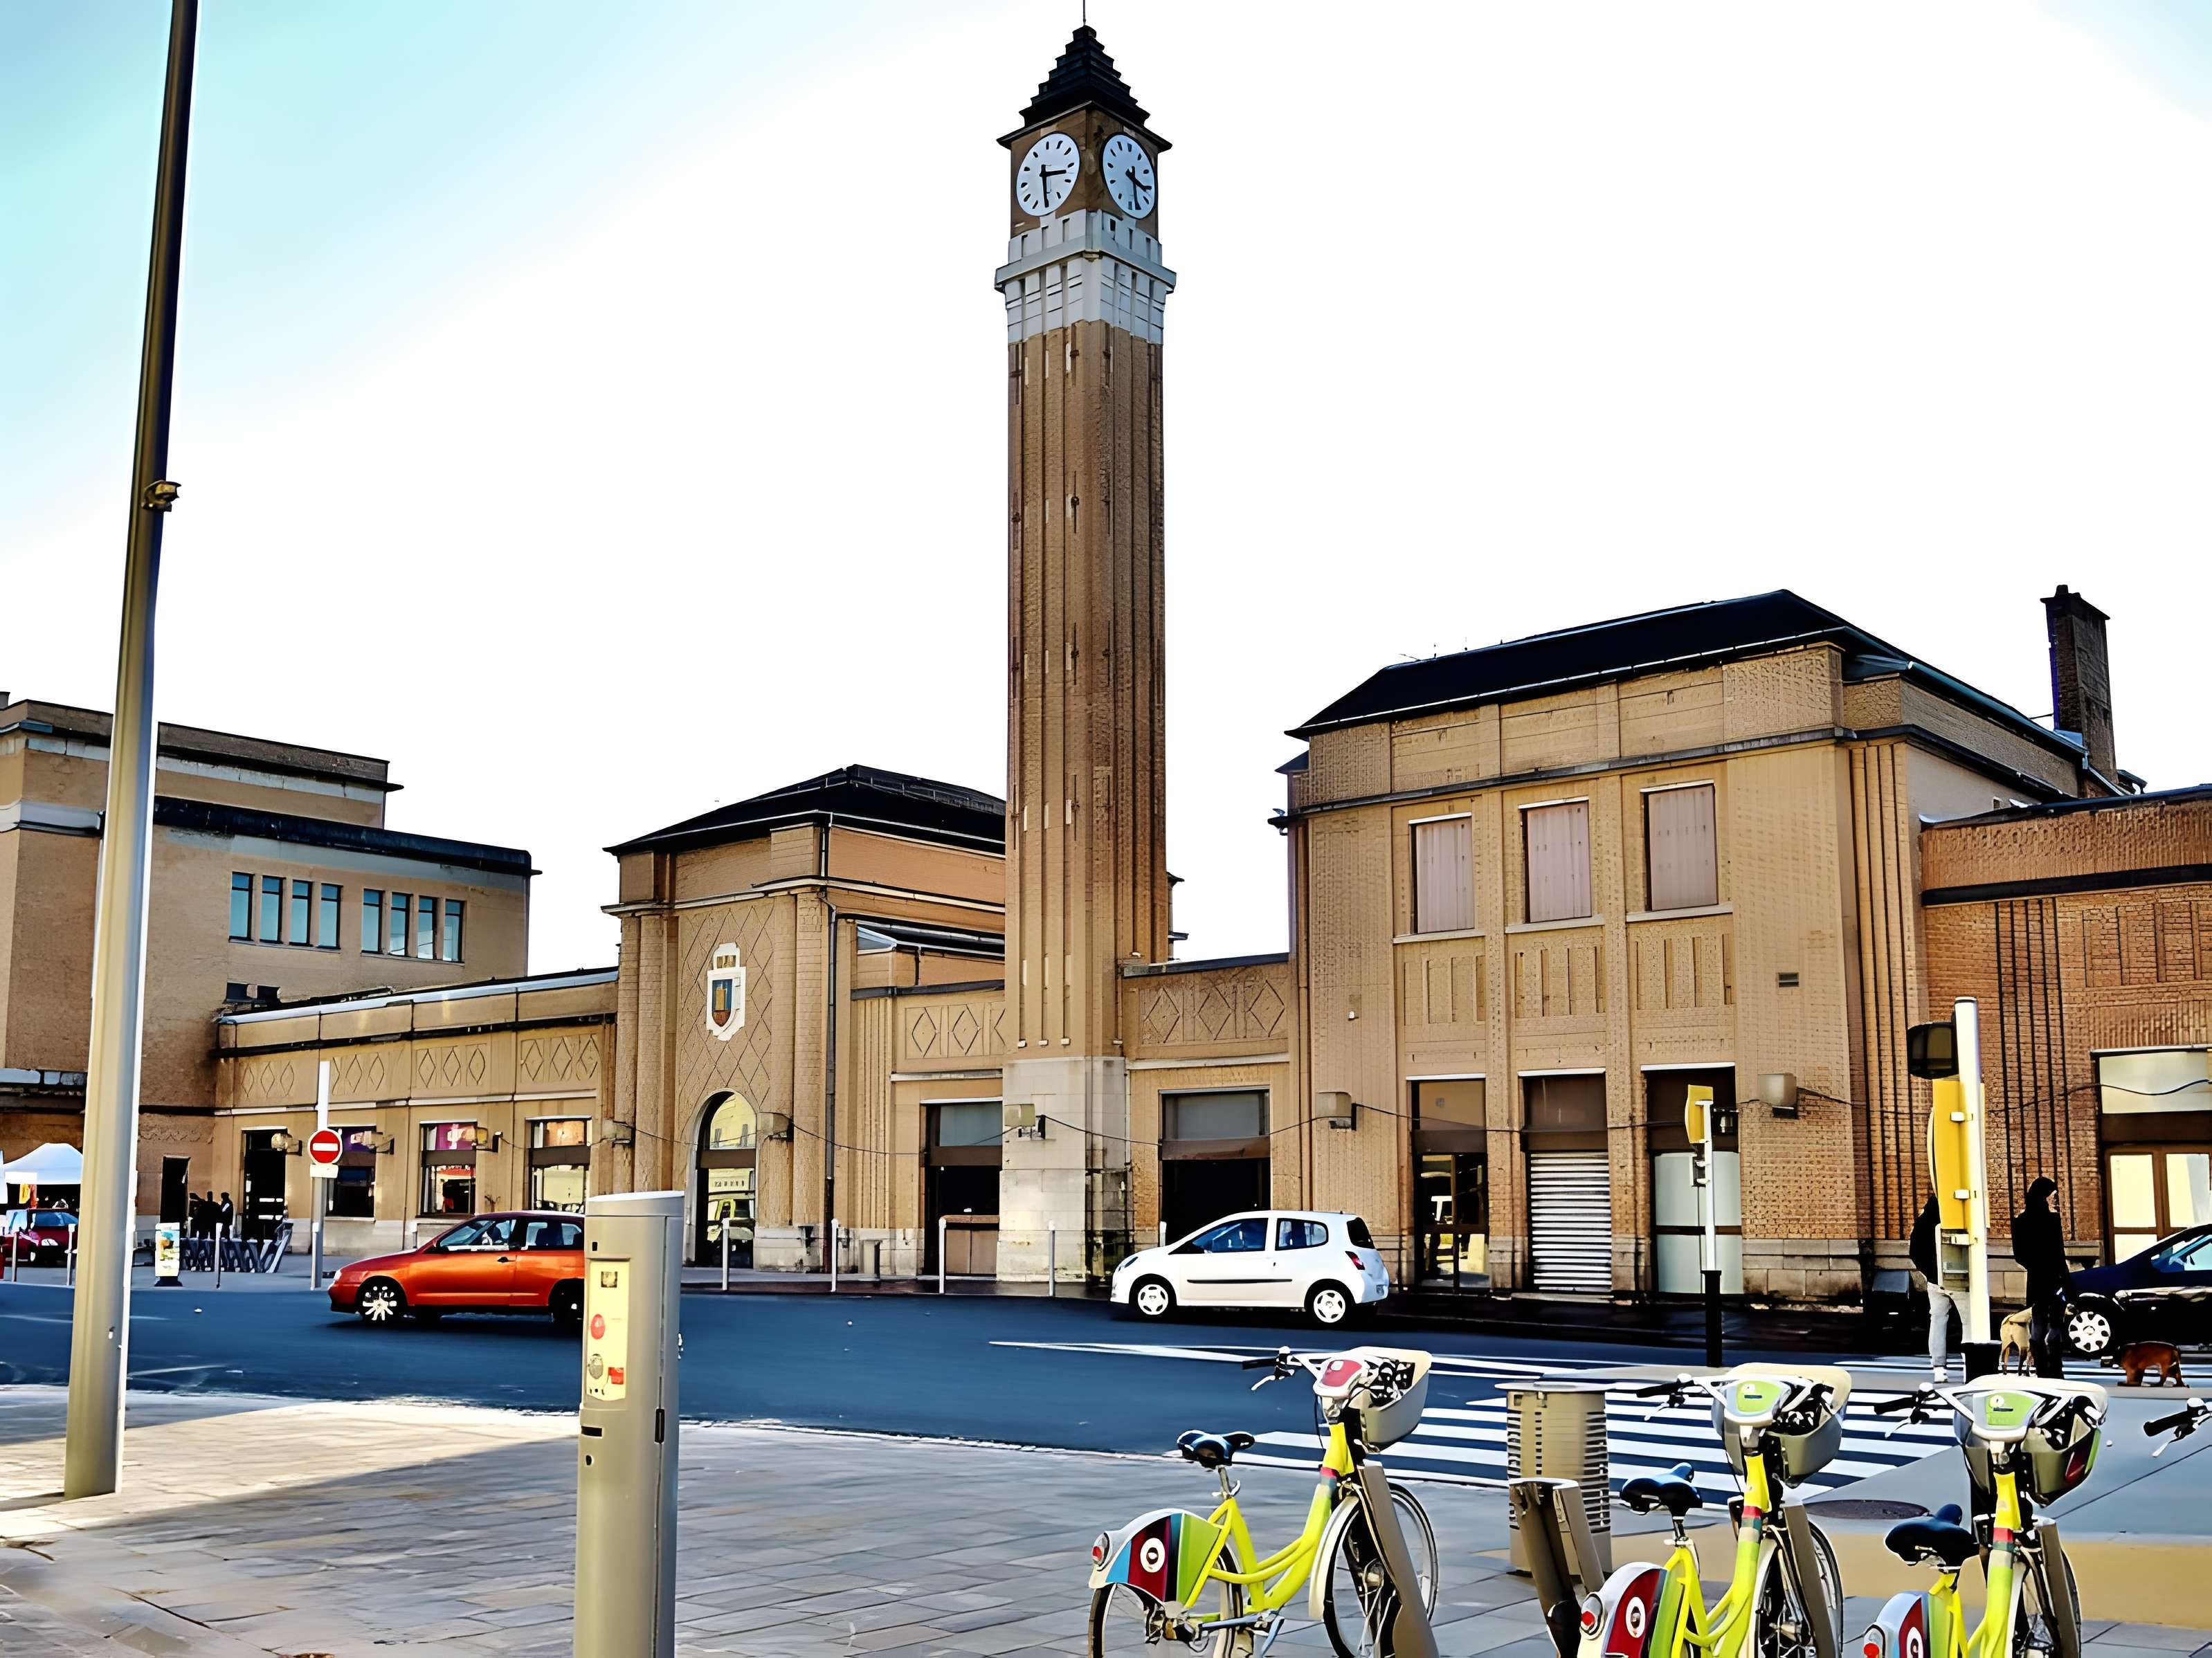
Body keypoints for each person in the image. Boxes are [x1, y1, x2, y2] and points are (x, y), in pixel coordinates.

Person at [2013, 1176, 2069, 1378]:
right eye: (2051, 1196)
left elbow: (2019, 1254)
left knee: (2038, 1323)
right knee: (2055, 1324)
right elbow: (2059, 1252)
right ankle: (2056, 1368)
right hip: (2054, 1277)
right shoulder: (2053, 1220)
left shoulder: (2021, 1222)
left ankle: (2041, 1368)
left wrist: (2035, 1266)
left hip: (2036, 1278)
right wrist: (2065, 1276)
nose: (2053, 1200)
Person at [1911, 1192, 1970, 1378]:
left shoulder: (1922, 1223)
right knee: (1968, 1322)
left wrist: (1930, 1274)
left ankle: (1939, 1367)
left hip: (1934, 1281)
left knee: (1937, 1320)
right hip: (1958, 1277)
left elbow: (1914, 1252)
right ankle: (1969, 1361)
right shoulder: (1955, 1220)